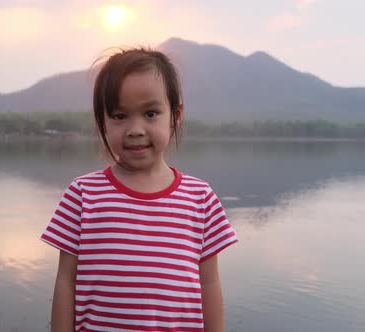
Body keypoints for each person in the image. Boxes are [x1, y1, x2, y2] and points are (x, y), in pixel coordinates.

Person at [40, 47, 238, 332]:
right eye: (119, 116)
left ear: (175, 115)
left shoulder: (200, 198)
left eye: (150, 113)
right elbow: (65, 281)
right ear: (102, 121)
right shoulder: (83, 194)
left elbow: (209, 282)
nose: (135, 129)